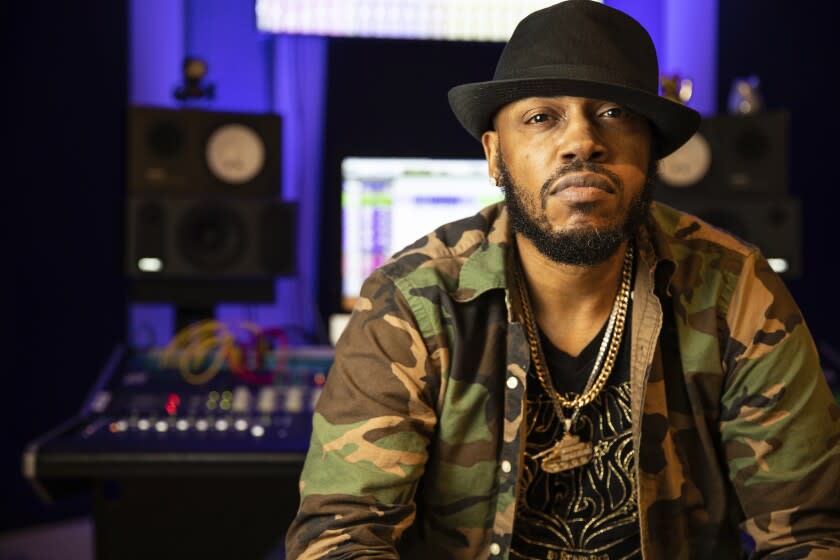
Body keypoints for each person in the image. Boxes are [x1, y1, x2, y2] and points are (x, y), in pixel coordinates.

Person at [285, 1, 840, 558]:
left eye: (614, 114)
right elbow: (340, 537)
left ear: (652, 153)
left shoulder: (735, 289)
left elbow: (810, 534)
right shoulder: (411, 301)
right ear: (495, 156)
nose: (581, 142)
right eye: (541, 117)